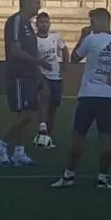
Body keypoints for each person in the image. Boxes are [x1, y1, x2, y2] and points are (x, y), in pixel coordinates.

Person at [51, 8, 111, 190]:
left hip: (88, 95)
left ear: (101, 22)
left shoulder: (91, 39)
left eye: (93, 22)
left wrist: (82, 36)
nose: (91, 26)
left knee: (77, 137)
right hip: (108, 97)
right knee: (106, 139)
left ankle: (69, 175)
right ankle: (102, 178)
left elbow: (75, 58)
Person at [0, 0, 47, 167]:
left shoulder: (28, 24)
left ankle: (19, 151)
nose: (39, 6)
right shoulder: (16, 21)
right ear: (26, 2)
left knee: (27, 113)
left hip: (29, 74)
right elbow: (15, 50)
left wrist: (37, 73)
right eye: (37, 2)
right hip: (18, 74)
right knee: (26, 114)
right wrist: (38, 62)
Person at [35, 12, 68, 149]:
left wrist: (65, 67)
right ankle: (42, 127)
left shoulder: (56, 37)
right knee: (45, 97)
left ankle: (47, 135)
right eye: (41, 22)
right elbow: (32, 58)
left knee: (54, 106)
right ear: (37, 24)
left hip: (56, 75)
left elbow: (65, 50)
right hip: (42, 75)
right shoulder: (34, 40)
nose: (44, 24)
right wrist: (39, 70)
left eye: (46, 22)